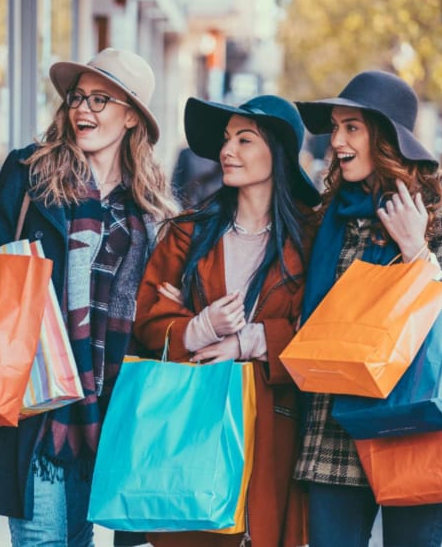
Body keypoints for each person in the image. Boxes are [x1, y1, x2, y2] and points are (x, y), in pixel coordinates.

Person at [0, 47, 179, 546]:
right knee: (42, 539)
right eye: (77, 98)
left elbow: (152, 308)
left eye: (101, 100)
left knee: (80, 540)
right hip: (37, 396)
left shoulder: (149, 207)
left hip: (109, 405)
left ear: (132, 117)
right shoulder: (32, 172)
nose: (83, 110)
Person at [292, 70, 442, 547]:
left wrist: (416, 249)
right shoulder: (331, 208)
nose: (336, 140)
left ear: (386, 136)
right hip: (335, 421)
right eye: (335, 127)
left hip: (415, 420)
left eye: (351, 127)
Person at [132, 95, 320, 547]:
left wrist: (249, 340)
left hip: (275, 428)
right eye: (225, 140)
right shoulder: (188, 231)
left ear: (277, 152)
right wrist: (199, 327)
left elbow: (321, 330)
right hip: (194, 422)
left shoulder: (312, 239)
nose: (227, 151)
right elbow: (146, 317)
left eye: (244, 139)